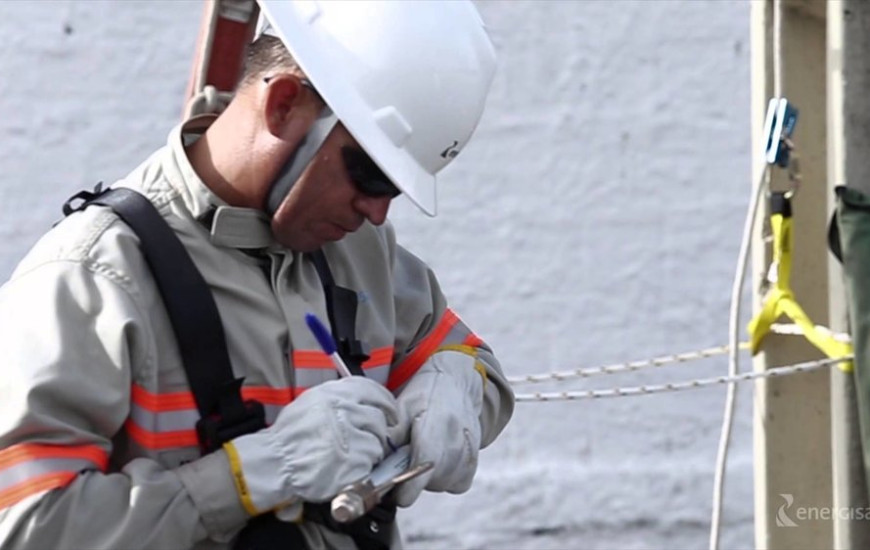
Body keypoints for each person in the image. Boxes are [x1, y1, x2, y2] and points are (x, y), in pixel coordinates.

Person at [0, 2, 514, 549]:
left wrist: (457, 385)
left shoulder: (362, 254)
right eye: (369, 174)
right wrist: (245, 479)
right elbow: (29, 526)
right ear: (283, 103)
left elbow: (475, 364)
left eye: (393, 189)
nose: (377, 212)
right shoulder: (92, 279)